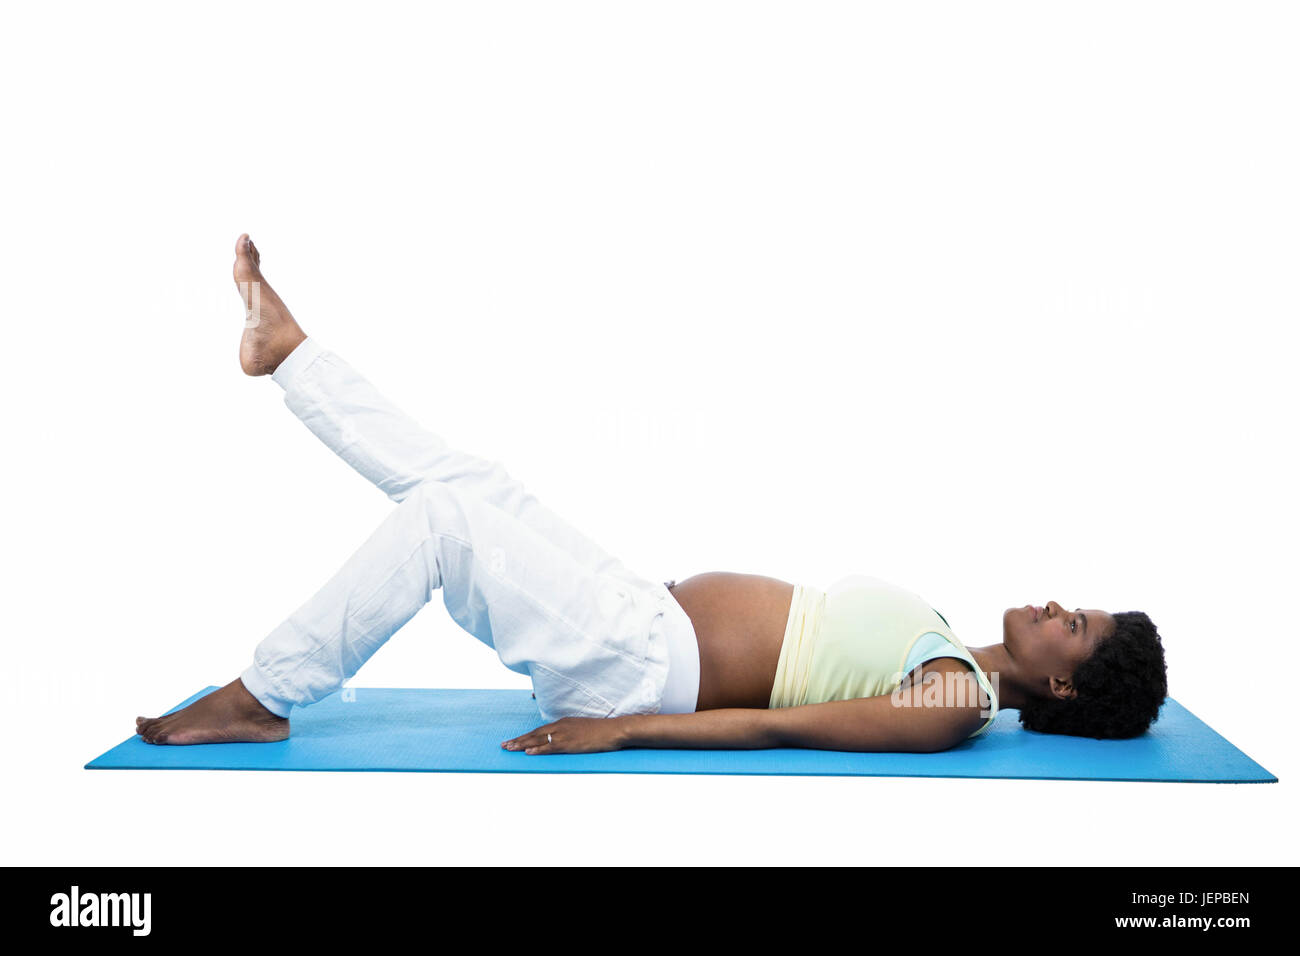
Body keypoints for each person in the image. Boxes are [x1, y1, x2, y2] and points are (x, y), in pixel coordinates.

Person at [134, 235, 1168, 755]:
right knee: (474, 484)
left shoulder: (957, 700)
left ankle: (264, 694)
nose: (1048, 603)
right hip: (640, 615)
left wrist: (619, 730)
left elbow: (785, 729)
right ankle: (293, 357)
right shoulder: (953, 640)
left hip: (639, 670)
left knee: (444, 524)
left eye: (1069, 625)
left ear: (1065, 687)